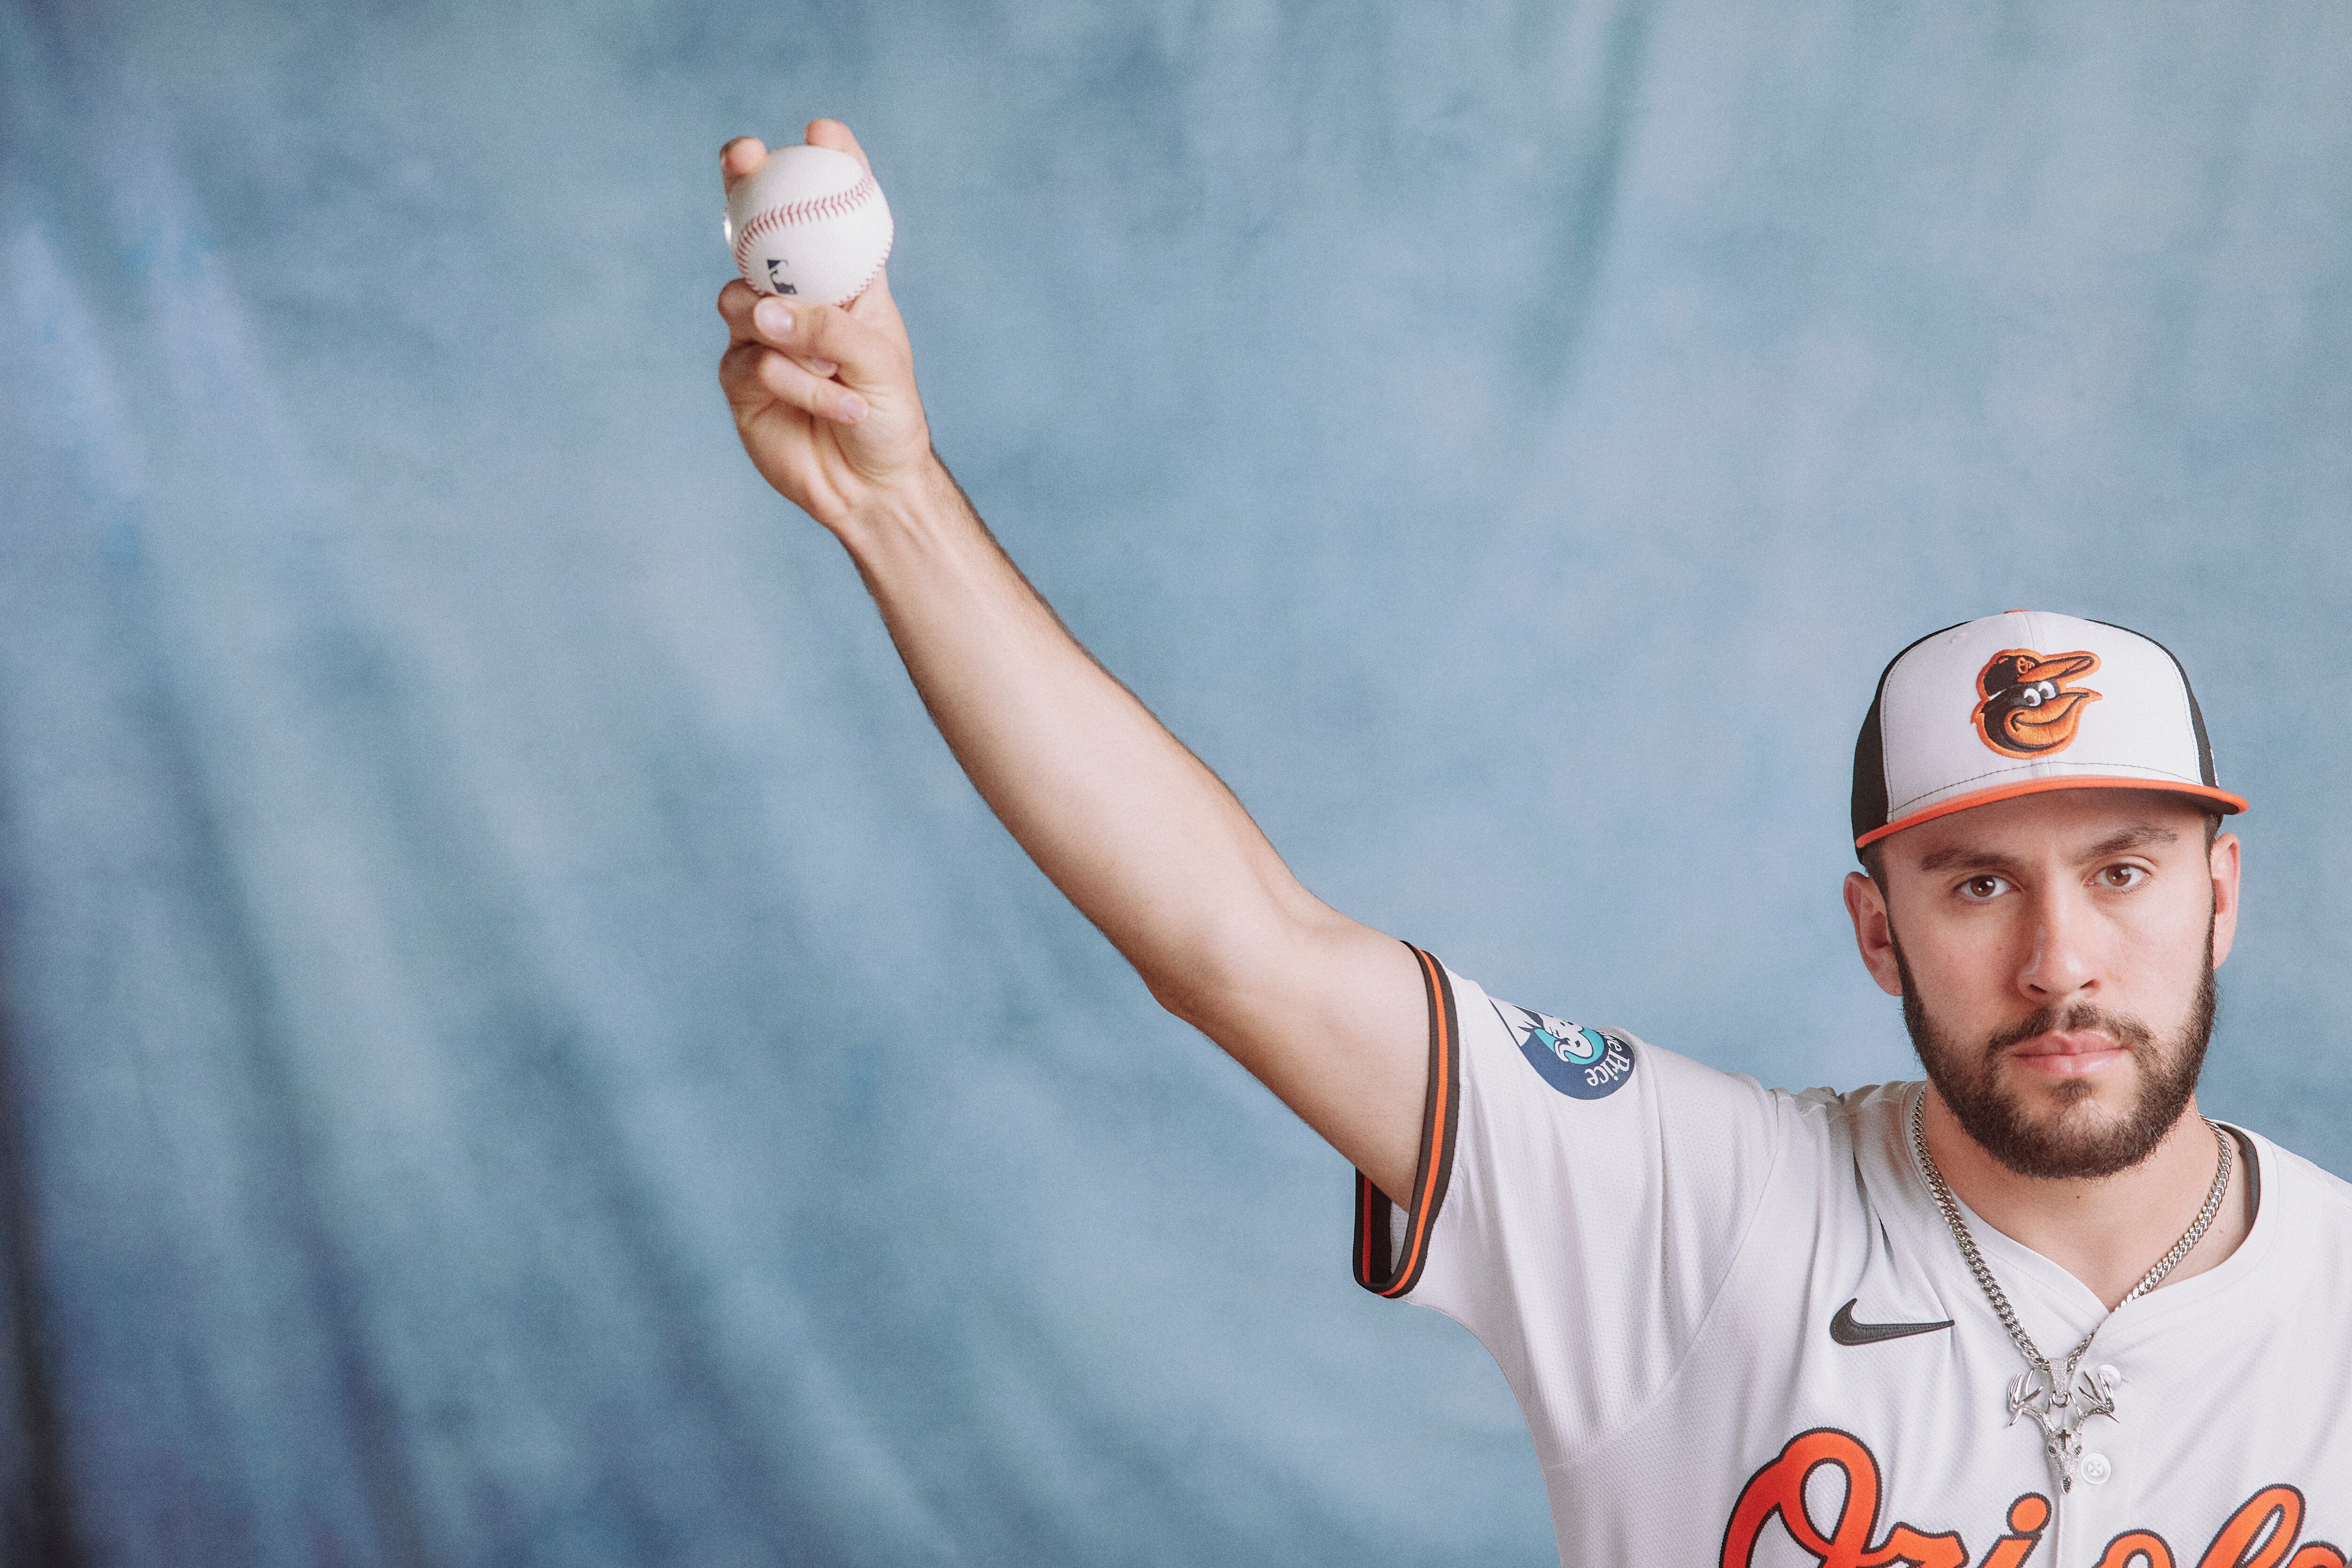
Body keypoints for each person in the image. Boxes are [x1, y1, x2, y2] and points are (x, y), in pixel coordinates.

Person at [715, 123, 2352, 1567]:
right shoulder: (1698, 1216)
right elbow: (1234, 944)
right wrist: (895, 501)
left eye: (2122, 870)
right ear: (1877, 932)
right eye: (1978, 882)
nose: (2060, 958)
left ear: (2222, 894)